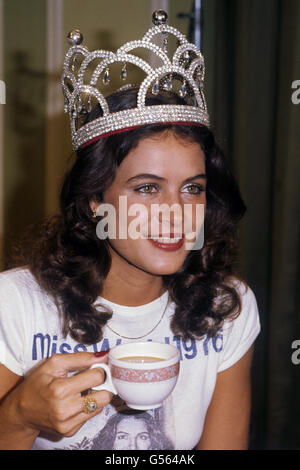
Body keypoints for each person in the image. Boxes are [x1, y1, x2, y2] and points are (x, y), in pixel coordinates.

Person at [0, 11, 260, 450]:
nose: (175, 214)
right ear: (93, 202)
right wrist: (20, 417)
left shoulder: (227, 307)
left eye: (192, 188)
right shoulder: (17, 304)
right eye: (147, 188)